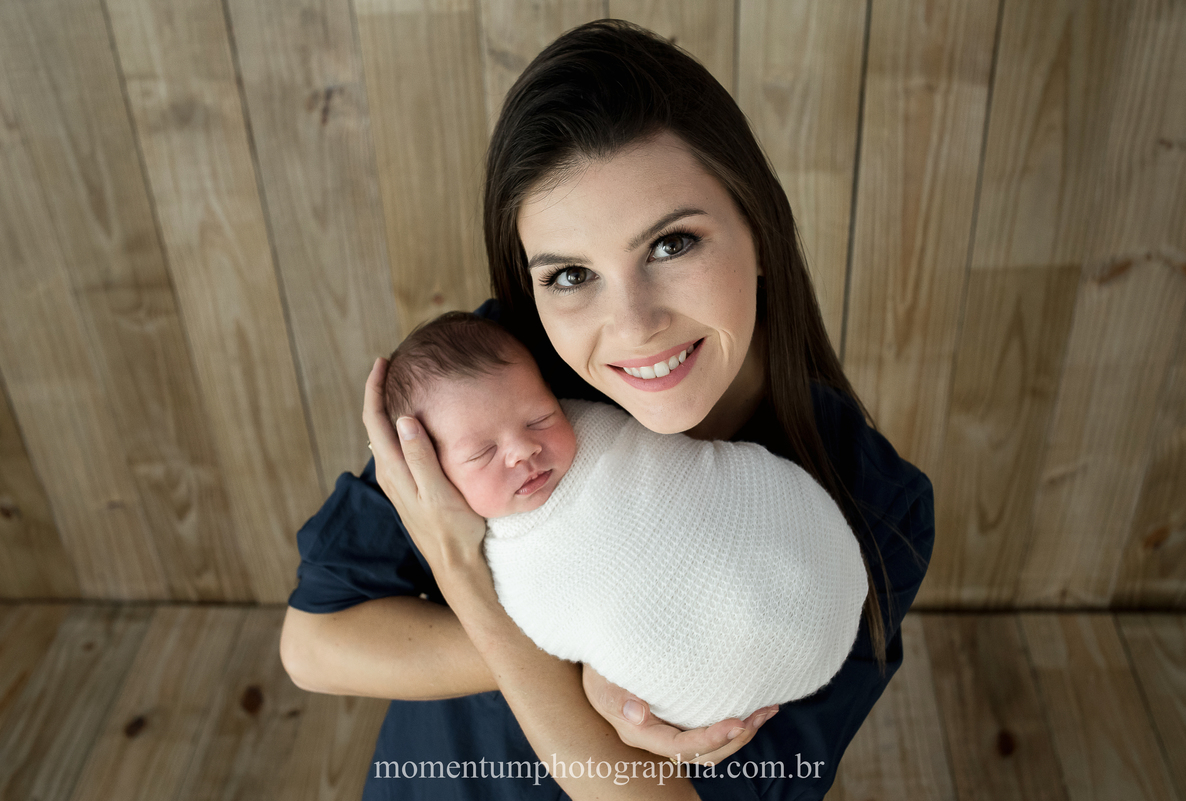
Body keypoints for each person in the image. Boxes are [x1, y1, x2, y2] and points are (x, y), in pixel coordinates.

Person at [280, 19, 934, 800]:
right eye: (569, 276)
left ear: (758, 230)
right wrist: (575, 661)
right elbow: (315, 643)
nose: (632, 324)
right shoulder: (496, 390)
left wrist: (484, 589)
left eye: (670, 245)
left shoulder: (870, 504)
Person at [379, 310, 867, 731]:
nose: (524, 449)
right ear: (427, 473)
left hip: (808, 566)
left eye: (539, 418)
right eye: (483, 452)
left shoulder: (596, 424)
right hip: (709, 677)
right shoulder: (504, 560)